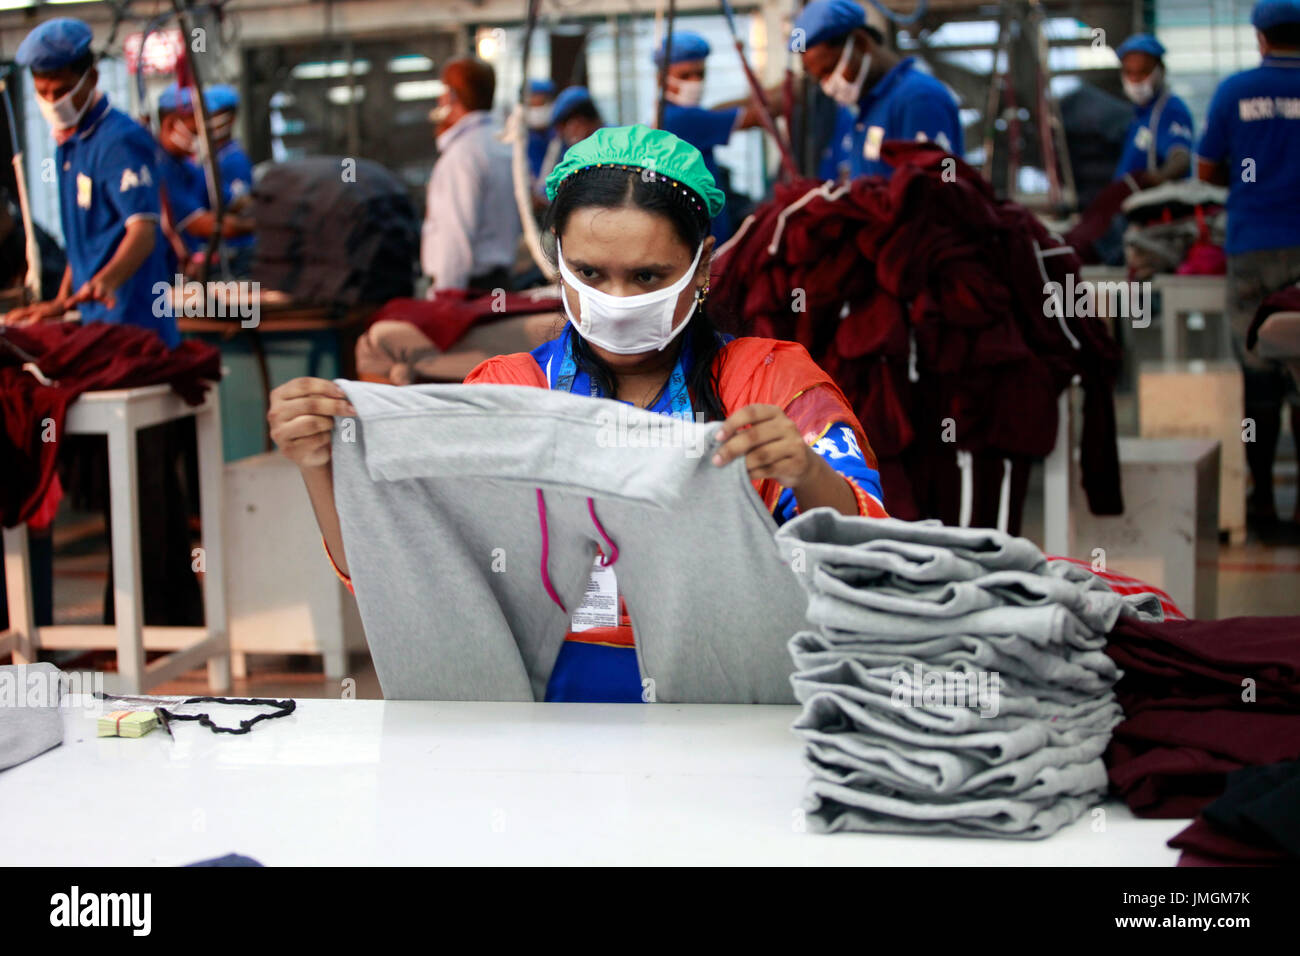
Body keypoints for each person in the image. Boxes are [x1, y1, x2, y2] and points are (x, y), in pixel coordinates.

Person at [269, 126, 887, 703]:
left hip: (723, 707)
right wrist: (320, 465)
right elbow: (400, 575)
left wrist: (806, 474)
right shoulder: (506, 391)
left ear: (701, 268)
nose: (616, 302)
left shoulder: (769, 383)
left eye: (648, 276)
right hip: (542, 713)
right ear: (557, 258)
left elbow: (866, 558)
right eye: (590, 273)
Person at [3, 18, 176, 347]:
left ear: (92, 78)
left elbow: (143, 233)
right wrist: (60, 301)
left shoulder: (121, 141)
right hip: (95, 322)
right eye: (43, 93)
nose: (54, 102)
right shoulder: (69, 145)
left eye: (63, 91)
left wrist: (106, 283)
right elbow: (83, 246)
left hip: (136, 322)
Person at [1196, 0, 1300, 535]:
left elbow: (1208, 168)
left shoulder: (1235, 91)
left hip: (1254, 245)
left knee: (1259, 379)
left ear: (1260, 37)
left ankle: (1261, 500)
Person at [791, 0, 963, 181]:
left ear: (861, 43)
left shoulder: (919, 99)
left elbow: (943, 186)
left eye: (830, 70)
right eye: (820, 79)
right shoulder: (869, 111)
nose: (827, 86)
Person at [654, 30, 788, 241]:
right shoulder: (678, 120)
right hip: (706, 239)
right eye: (685, 75)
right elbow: (760, 114)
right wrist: (794, 85)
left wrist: (756, 95)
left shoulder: (672, 115)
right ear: (660, 78)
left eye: (700, 74)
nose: (695, 82)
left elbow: (715, 112)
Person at [421, 56, 522, 293]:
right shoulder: (502, 144)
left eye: (445, 90)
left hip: (468, 290)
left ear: (454, 97)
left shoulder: (462, 155)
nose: (440, 98)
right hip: (499, 285)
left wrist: (446, 300)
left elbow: (455, 238)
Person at [153, 84, 255, 278]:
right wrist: (259, 225)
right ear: (171, 124)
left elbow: (229, 200)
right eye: (195, 129)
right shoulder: (160, 167)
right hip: (166, 275)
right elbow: (201, 224)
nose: (202, 136)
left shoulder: (185, 166)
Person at [186, 84, 257, 277]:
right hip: (214, 252)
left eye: (213, 113)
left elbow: (238, 205)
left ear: (230, 117)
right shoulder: (210, 157)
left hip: (234, 254)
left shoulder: (234, 160)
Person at [1112, 34, 1195, 187]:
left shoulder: (1170, 110)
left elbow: (1180, 158)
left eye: (1143, 72)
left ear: (1160, 70)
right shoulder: (1140, 114)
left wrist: (1153, 181)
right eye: (1129, 73)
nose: (1135, 81)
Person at [525, 78, 556, 181]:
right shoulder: (521, 137)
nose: (537, 111)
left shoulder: (558, 137)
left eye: (541, 104)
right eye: (533, 105)